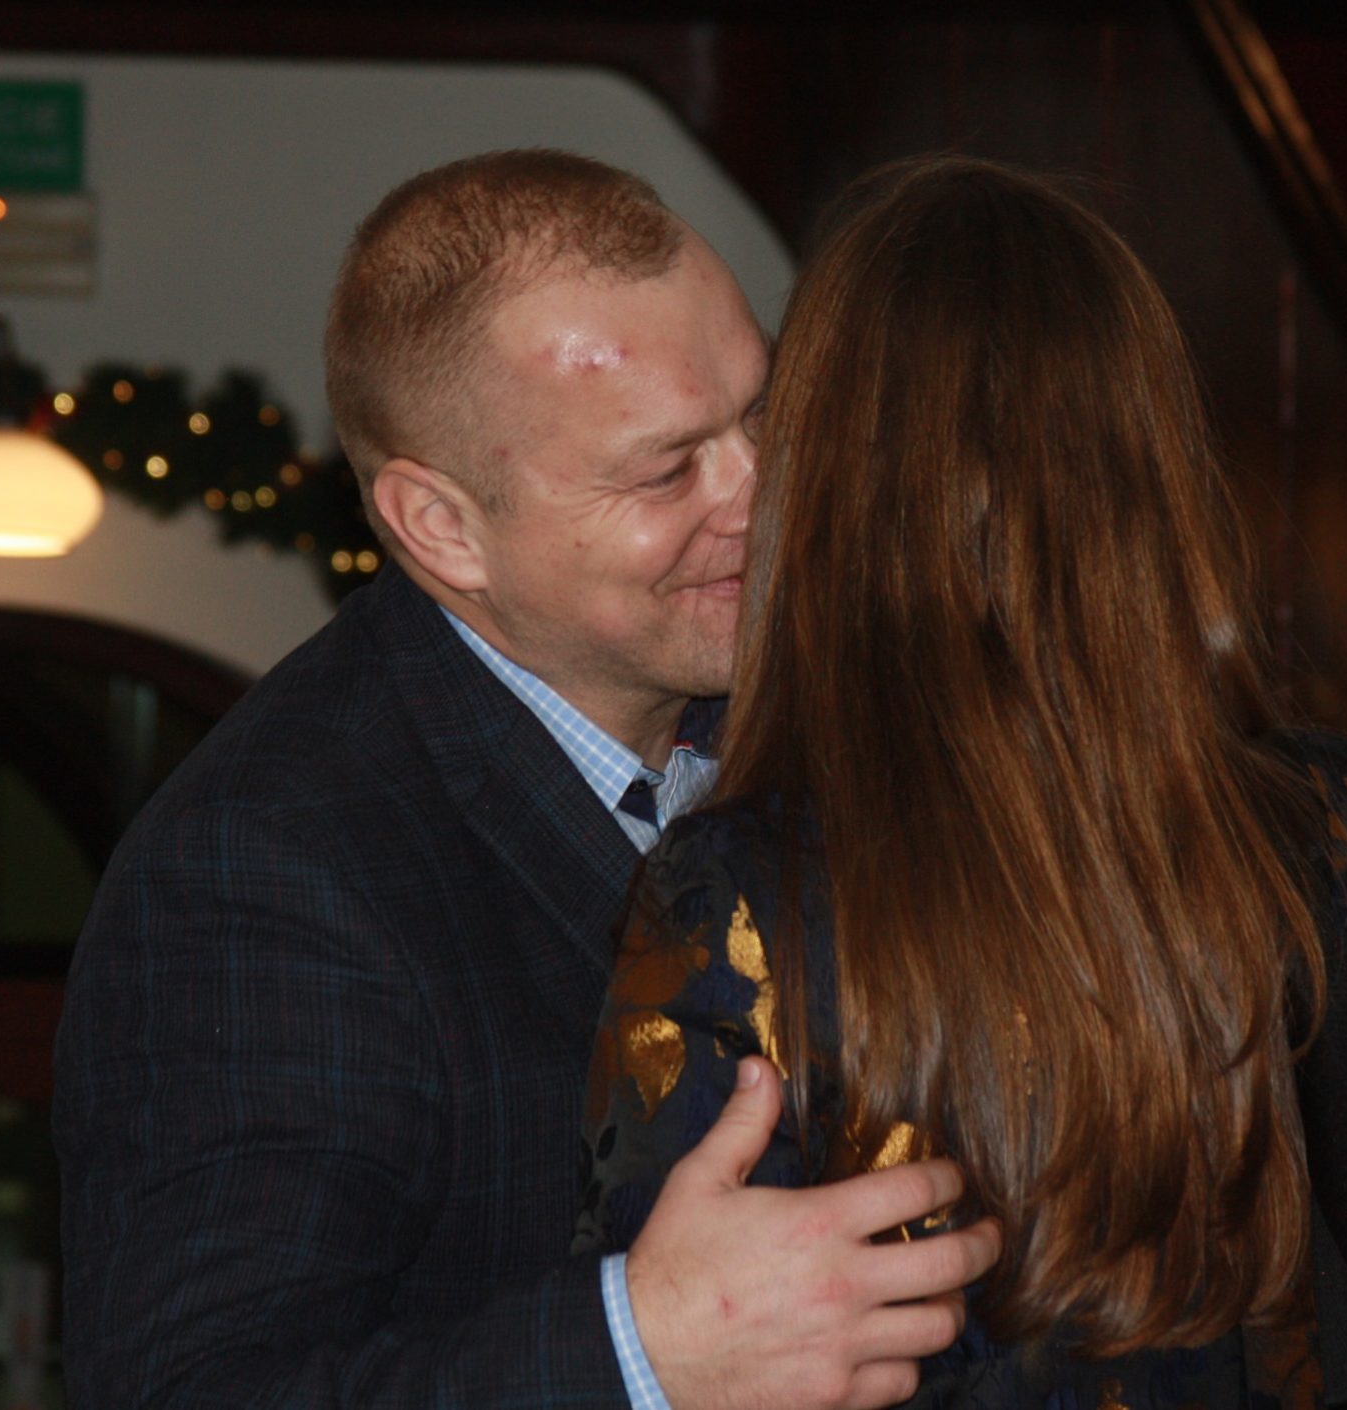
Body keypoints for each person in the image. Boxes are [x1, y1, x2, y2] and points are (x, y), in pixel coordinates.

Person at [53, 149, 1000, 1410]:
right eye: (666, 469)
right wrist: (640, 1353)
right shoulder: (264, 869)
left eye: (764, 415)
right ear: (441, 526)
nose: (764, 494)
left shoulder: (843, 709)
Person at [578, 157, 1347, 1409]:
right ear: (1155, 460)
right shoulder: (1340, 819)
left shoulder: (735, 887)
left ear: (822, 480)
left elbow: (693, 1341)